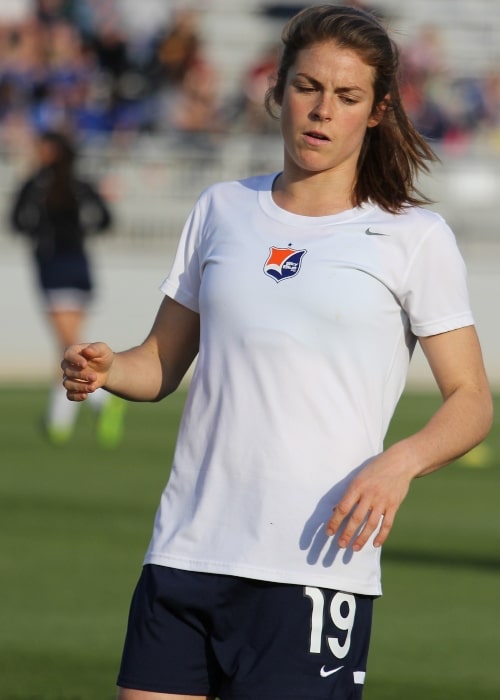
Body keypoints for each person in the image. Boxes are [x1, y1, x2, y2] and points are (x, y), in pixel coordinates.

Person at [61, 5, 493, 699]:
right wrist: (111, 370)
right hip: (185, 552)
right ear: (276, 90)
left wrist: (399, 466)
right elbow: (161, 366)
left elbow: (472, 402)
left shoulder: (413, 236)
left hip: (316, 566)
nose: (322, 111)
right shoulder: (221, 208)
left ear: (377, 111)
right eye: (307, 87)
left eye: (346, 97)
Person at [11, 129, 125, 446]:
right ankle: (59, 420)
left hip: (54, 269)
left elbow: (16, 221)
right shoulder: (78, 183)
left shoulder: (37, 184)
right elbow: (104, 219)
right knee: (67, 346)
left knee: (69, 344)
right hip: (78, 266)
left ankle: (103, 398)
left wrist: (42, 234)